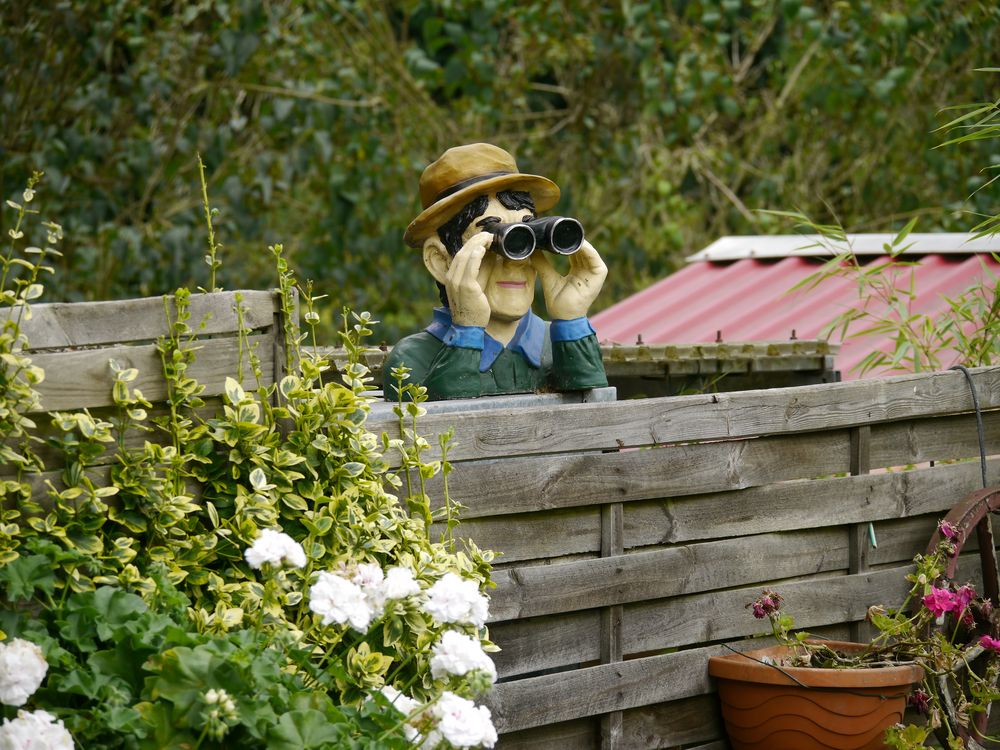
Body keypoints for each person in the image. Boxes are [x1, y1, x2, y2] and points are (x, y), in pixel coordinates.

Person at [384, 142, 608, 401]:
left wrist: (571, 320)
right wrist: (467, 332)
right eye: (496, 239)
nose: (515, 261)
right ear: (441, 261)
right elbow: (448, 430)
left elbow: (593, 419)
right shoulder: (412, 360)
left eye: (528, 236)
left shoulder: (555, 342)